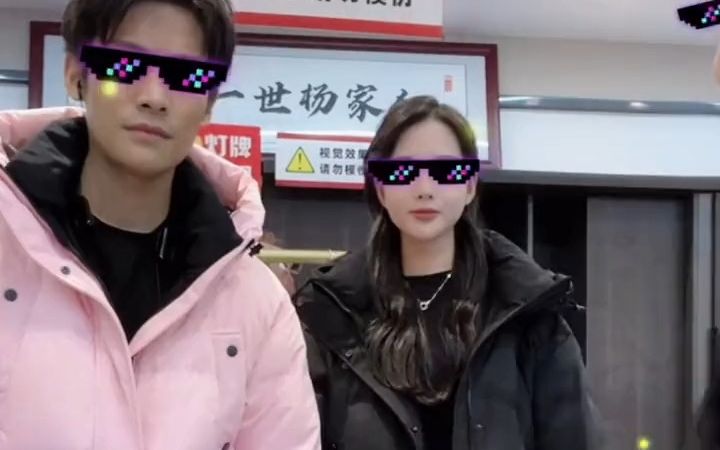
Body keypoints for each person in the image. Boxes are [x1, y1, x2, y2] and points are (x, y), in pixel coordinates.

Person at [0, 0, 320, 448]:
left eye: (187, 76)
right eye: (125, 65)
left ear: (210, 101)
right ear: (76, 74)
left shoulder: (255, 305)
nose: (154, 96)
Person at [293, 95, 603, 450]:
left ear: (469, 186)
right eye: (403, 172)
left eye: (445, 172)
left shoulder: (528, 313)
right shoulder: (331, 313)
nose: (425, 189)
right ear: (380, 188)